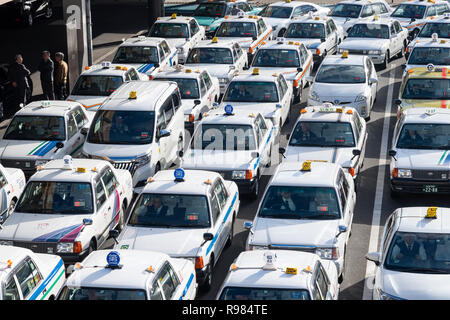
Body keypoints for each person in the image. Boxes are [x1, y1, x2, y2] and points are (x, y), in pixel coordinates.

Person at [7, 54, 31, 118]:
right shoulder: (21, 66)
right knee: (23, 98)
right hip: (22, 84)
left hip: (15, 85)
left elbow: (9, 75)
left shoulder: (11, 66)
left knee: (17, 98)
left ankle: (18, 111)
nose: (22, 59)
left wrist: (13, 81)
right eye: (21, 58)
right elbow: (28, 72)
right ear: (18, 59)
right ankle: (23, 111)